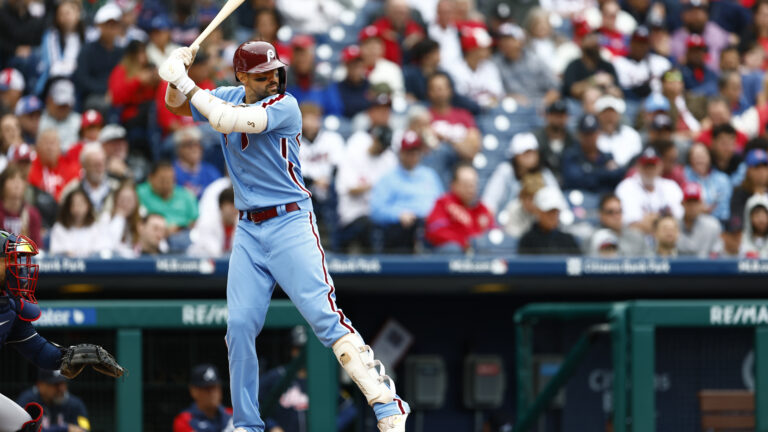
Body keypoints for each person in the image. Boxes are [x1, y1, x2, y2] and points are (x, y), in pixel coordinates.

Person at [160, 41, 411, 431]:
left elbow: (229, 120)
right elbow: (177, 105)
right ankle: (246, 423)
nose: (273, 78)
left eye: (276, 70)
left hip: (290, 221)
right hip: (248, 227)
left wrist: (187, 84)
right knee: (240, 326)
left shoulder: (285, 105)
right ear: (242, 76)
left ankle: (386, 401)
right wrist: (176, 76)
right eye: (263, 74)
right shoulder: (227, 95)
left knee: (324, 317)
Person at [0, 229, 121, 432]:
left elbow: (38, 351)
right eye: (10, 259)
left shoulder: (8, 307)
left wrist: (72, 356)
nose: (18, 267)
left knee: (25, 426)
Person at [370, 131, 443, 252]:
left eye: (415, 152)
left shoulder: (430, 175)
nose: (412, 156)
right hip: (403, 230)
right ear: (401, 153)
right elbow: (376, 211)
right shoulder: (388, 178)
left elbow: (442, 203)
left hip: (430, 228)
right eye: (408, 152)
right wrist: (398, 215)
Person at [482, 132, 567, 217]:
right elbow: (489, 202)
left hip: (538, 224)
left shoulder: (544, 173)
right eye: (525, 153)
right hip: (507, 221)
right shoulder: (505, 171)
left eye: (533, 152)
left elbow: (559, 202)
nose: (530, 156)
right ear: (515, 155)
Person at [425, 163, 493, 252]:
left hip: (477, 256)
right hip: (452, 254)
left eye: (473, 184)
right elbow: (435, 231)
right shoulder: (444, 203)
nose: (470, 189)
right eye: (466, 184)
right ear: (454, 185)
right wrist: (464, 242)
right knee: (452, 249)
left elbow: (492, 233)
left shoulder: (482, 208)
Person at [615, 147, 684, 235]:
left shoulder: (671, 186)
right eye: (646, 166)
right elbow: (632, 224)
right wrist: (662, 220)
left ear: (660, 166)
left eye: (653, 165)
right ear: (638, 166)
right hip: (638, 240)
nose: (649, 170)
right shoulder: (626, 187)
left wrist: (653, 220)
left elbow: (679, 219)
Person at [492, 23, 559, 107]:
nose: (505, 43)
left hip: (540, 105)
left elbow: (555, 88)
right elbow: (494, 94)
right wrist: (510, 97)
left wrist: (542, 104)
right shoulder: (494, 63)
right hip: (512, 107)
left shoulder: (535, 60)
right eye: (502, 39)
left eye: (509, 39)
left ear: (520, 41)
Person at [73, 3, 125, 110]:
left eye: (115, 25)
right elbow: (82, 78)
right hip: (93, 95)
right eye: (107, 24)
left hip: (118, 94)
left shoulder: (122, 52)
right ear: (99, 26)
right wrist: (104, 90)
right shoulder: (87, 50)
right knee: (101, 105)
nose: (111, 29)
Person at [561, 113, 625, 194]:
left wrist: (589, 172)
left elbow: (618, 175)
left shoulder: (607, 156)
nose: (590, 138)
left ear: (599, 133)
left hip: (603, 199)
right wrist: (605, 172)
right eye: (586, 134)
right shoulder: (571, 155)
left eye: (593, 133)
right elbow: (575, 180)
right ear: (579, 134)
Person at [16, 369, 90, 432]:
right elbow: (23, 430)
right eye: (56, 384)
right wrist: (66, 429)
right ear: (40, 385)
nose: (61, 389)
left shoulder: (76, 404)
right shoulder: (28, 401)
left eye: (63, 383)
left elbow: (84, 429)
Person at [35, 0, 84, 95]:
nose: (65, 17)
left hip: (78, 81)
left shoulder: (87, 36)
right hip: (54, 81)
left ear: (78, 13)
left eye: (68, 13)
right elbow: (54, 67)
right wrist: (74, 68)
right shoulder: (51, 36)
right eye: (61, 14)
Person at [48, 188, 115, 257]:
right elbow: (55, 253)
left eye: (81, 204)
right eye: (74, 205)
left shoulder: (95, 227)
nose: (77, 209)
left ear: (88, 206)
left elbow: (101, 251)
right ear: (68, 207)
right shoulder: (59, 228)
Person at [451, 27, 504, 109]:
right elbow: (459, 98)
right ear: (471, 49)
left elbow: (498, 94)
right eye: (484, 48)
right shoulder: (454, 69)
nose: (489, 51)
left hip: (491, 109)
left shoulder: (490, 67)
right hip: (466, 111)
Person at [613, 26, 671, 100]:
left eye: (643, 43)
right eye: (637, 42)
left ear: (649, 45)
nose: (640, 47)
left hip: (657, 103)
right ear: (631, 43)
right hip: (631, 102)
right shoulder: (619, 63)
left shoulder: (661, 62)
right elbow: (621, 90)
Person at [518, 186, 581, 255]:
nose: (553, 216)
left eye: (555, 211)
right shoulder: (527, 241)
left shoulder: (568, 240)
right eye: (549, 212)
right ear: (538, 211)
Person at [61, 143, 119, 217]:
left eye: (102, 164)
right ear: (84, 166)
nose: (100, 169)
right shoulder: (71, 191)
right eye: (95, 165)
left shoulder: (117, 188)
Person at [173, 364, 234, 432]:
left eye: (215, 387)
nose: (212, 393)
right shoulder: (184, 420)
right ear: (194, 391)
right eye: (207, 388)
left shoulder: (233, 415)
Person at [562, 31, 619, 100]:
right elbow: (572, 90)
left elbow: (619, 93)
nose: (594, 41)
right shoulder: (574, 65)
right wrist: (594, 80)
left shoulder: (608, 66)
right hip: (579, 104)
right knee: (591, 95)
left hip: (605, 103)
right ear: (582, 42)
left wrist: (610, 87)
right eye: (590, 38)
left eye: (596, 38)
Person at [684, 142, 732, 223]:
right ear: (690, 160)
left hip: (719, 223)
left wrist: (709, 212)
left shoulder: (722, 179)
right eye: (696, 157)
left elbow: (725, 210)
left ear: (709, 157)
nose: (699, 160)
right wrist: (698, 210)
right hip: (691, 222)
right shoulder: (684, 176)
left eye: (702, 156)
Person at [27, 129, 80, 201]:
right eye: (46, 143)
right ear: (37, 147)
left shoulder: (71, 167)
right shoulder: (30, 167)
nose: (50, 148)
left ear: (59, 147)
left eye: (53, 143)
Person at [172, 125, 221, 199]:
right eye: (189, 145)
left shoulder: (211, 172)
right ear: (179, 149)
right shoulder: (171, 173)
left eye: (197, 144)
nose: (194, 148)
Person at [188, 187, 237, 258]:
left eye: (236, 206)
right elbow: (214, 252)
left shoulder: (241, 224)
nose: (234, 209)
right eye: (231, 205)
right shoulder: (208, 222)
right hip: (201, 261)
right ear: (221, 206)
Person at [677, 182, 723, 257]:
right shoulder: (673, 225)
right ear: (682, 203)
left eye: (695, 202)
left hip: (705, 267)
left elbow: (717, 253)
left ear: (702, 203)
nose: (692, 207)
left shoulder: (713, 225)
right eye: (689, 202)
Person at [595, 95, 642, 167]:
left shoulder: (631, 135)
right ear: (599, 115)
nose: (609, 117)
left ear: (619, 115)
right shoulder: (593, 136)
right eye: (605, 113)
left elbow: (636, 160)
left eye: (612, 113)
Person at [0, 164, 42, 247]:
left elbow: (38, 248)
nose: (17, 184)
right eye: (12, 179)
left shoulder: (32, 214)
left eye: (21, 179)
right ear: (2, 185)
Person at [533, 100, 576, 179]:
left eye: (562, 115)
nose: (558, 119)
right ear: (547, 116)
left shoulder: (573, 139)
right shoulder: (536, 138)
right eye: (555, 115)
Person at [37, 79, 81, 153]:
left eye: (66, 105)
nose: (63, 109)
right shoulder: (39, 121)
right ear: (49, 100)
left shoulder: (79, 121)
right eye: (60, 105)